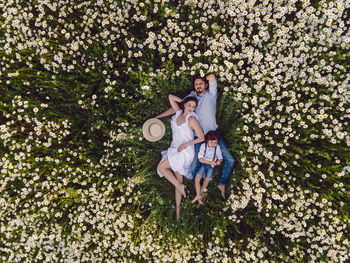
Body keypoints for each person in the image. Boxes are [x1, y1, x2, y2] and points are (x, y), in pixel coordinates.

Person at [155, 73, 235, 200]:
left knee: (230, 160)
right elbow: (177, 108)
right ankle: (202, 189)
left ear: (206, 85)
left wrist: (208, 77)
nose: (198, 86)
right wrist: (157, 117)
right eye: (196, 84)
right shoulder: (191, 97)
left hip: (214, 134)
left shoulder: (211, 94)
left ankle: (221, 183)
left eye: (201, 83)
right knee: (193, 167)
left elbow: (213, 78)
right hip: (198, 137)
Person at [157, 95, 204, 220]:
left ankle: (179, 187)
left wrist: (186, 144)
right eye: (189, 105)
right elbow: (170, 97)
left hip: (185, 152)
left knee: (162, 167)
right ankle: (178, 211)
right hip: (174, 149)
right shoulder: (178, 113)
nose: (191, 109)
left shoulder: (192, 119)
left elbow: (201, 137)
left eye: (193, 107)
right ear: (184, 105)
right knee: (178, 180)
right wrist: (182, 100)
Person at [192, 130, 223, 204]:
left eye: (215, 142)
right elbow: (200, 159)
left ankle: (199, 195)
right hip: (204, 164)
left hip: (211, 167)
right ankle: (199, 195)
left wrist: (219, 161)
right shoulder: (203, 146)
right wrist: (209, 162)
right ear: (207, 140)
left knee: (206, 182)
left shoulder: (217, 147)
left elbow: (220, 157)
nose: (213, 144)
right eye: (211, 142)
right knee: (197, 179)